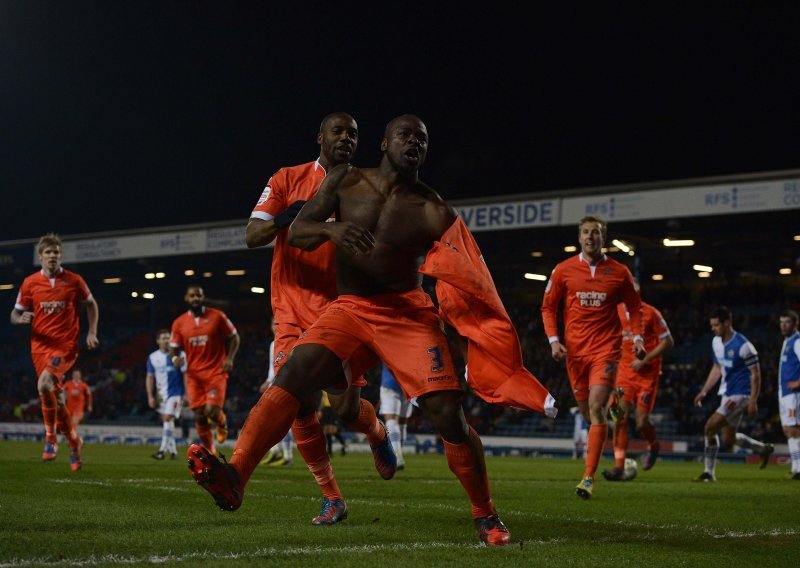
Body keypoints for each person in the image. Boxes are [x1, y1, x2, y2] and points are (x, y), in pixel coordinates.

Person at [188, 115, 556, 546]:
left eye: (422, 138)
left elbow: (473, 277)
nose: (413, 142)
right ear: (384, 143)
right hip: (348, 309)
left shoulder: (434, 208)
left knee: (447, 416)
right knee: (294, 376)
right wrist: (336, 230)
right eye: (405, 135)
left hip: (407, 315)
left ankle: (485, 514)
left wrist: (478, 335)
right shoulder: (345, 180)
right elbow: (301, 231)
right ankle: (236, 476)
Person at [243, 112, 397, 525]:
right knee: (298, 403)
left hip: (342, 311)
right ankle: (332, 497)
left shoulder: (366, 190)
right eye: (339, 131)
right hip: (292, 311)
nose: (346, 137)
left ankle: (377, 433)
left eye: (354, 133)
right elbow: (252, 234)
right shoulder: (286, 179)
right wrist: (287, 217)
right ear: (320, 137)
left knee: (346, 408)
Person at [541, 216, 646, 499]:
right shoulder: (563, 270)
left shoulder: (619, 272)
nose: (591, 237)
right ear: (579, 237)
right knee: (589, 414)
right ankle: (613, 403)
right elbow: (548, 308)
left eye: (596, 233)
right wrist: (554, 340)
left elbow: (635, 307)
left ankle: (588, 477)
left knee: (596, 408)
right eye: (586, 232)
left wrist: (637, 337)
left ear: (604, 238)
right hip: (575, 353)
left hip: (606, 350)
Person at [10, 232, 98, 472]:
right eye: (48, 252)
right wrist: (20, 319)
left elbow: (91, 303)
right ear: (40, 256)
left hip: (65, 346)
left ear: (60, 256)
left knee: (43, 384)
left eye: (56, 253)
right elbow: (14, 313)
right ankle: (74, 443)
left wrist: (91, 332)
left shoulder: (74, 280)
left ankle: (50, 437)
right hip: (39, 349)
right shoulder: (30, 283)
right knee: (57, 401)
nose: (52, 256)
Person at [602, 282, 674, 481]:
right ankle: (618, 467)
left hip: (647, 375)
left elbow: (669, 341)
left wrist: (646, 359)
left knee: (642, 423)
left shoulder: (651, 313)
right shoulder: (614, 312)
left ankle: (653, 445)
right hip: (624, 375)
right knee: (619, 418)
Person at [693, 306, 774, 481]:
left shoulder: (744, 346)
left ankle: (709, 473)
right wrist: (704, 391)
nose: (713, 329)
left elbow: (756, 374)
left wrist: (753, 400)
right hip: (727, 392)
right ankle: (763, 449)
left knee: (709, 427)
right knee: (729, 439)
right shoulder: (716, 342)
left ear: (727, 323)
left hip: (741, 394)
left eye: (716, 325)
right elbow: (717, 368)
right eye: (712, 325)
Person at [169, 285, 240, 455]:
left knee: (211, 411)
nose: (195, 298)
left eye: (198, 295)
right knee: (200, 415)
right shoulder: (179, 323)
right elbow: (173, 347)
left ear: (203, 297)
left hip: (216, 371)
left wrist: (229, 358)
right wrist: (174, 358)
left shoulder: (217, 316)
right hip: (193, 375)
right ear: (186, 298)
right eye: (192, 296)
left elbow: (234, 337)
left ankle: (221, 422)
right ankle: (211, 452)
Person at [146, 328, 186, 460]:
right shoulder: (153, 357)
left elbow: (186, 375)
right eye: (163, 338)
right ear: (158, 341)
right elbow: (150, 377)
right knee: (167, 422)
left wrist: (187, 394)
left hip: (176, 393)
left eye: (169, 338)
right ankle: (173, 451)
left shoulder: (179, 355)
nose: (166, 340)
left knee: (168, 418)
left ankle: (162, 451)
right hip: (161, 395)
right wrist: (150, 396)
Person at [260, 317, 295, 466]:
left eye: (278, 324)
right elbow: (272, 368)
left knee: (282, 421)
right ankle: (275, 452)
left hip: (287, 386)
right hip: (274, 384)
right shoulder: (273, 344)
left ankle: (287, 455)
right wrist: (268, 382)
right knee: (270, 421)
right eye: (274, 324)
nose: (276, 327)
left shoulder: (290, 342)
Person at [777, 310, 800, 480]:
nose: (783, 325)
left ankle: (798, 469)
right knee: (787, 429)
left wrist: (798, 383)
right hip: (784, 393)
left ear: (795, 324)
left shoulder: (797, 341)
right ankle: (795, 468)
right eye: (781, 322)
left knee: (794, 430)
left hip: (793, 393)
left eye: (787, 322)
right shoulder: (788, 341)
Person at [380, 363, 414, 469]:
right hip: (409, 383)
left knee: (391, 419)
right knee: (402, 423)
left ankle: (398, 458)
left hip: (390, 382)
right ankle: (399, 454)